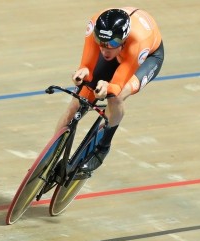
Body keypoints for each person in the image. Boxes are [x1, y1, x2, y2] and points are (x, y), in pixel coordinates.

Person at [55, 7, 164, 174]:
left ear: (123, 39)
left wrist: (108, 88)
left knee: (117, 97)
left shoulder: (138, 41)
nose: (105, 49)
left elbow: (117, 84)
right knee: (76, 104)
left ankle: (103, 147)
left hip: (147, 57)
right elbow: (87, 66)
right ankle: (50, 157)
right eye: (101, 42)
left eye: (112, 44)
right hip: (121, 47)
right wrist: (83, 71)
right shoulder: (97, 26)